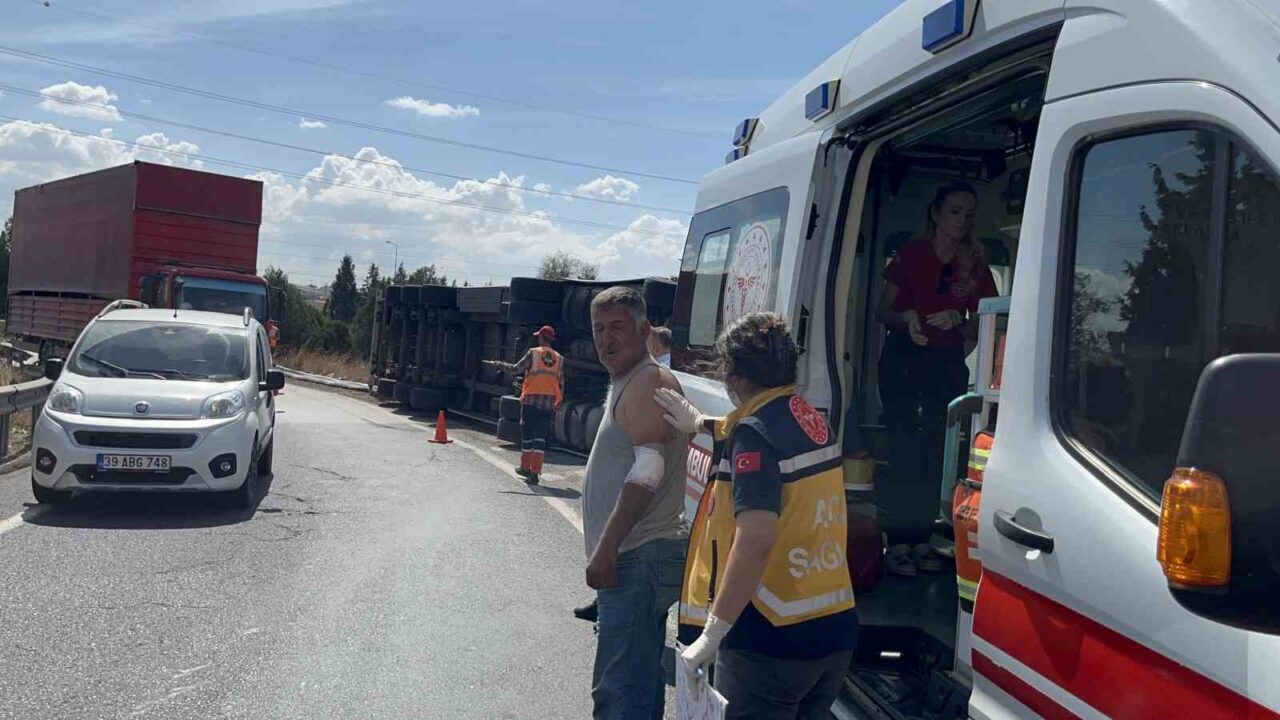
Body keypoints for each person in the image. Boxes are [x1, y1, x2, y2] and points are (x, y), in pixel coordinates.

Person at [657, 312, 858, 720]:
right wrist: (701, 423)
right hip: (831, 629)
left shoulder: (754, 435)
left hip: (770, 637)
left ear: (733, 375)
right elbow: (766, 434)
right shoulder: (810, 419)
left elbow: (755, 541)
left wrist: (712, 634)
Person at [582, 286, 690, 720]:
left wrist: (606, 548)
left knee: (620, 692)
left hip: (637, 555)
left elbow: (648, 470)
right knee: (637, 682)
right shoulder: (629, 379)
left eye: (617, 327)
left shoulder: (647, 381)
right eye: (598, 329)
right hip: (637, 556)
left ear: (645, 331)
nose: (606, 339)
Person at [875, 182, 998, 496]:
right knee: (900, 433)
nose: (962, 220)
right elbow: (882, 312)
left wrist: (959, 320)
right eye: (955, 212)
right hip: (902, 356)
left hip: (946, 361)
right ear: (936, 214)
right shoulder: (912, 254)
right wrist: (906, 318)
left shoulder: (975, 264)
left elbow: (985, 324)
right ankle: (898, 512)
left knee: (938, 438)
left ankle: (933, 509)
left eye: (969, 214)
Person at [484, 325, 563, 484]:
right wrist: (558, 403)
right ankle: (535, 473)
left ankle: (525, 468)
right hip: (548, 405)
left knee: (527, 437)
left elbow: (515, 369)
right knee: (540, 439)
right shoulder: (559, 359)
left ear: (540, 338)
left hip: (531, 402)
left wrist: (498, 364)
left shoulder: (533, 353)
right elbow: (561, 384)